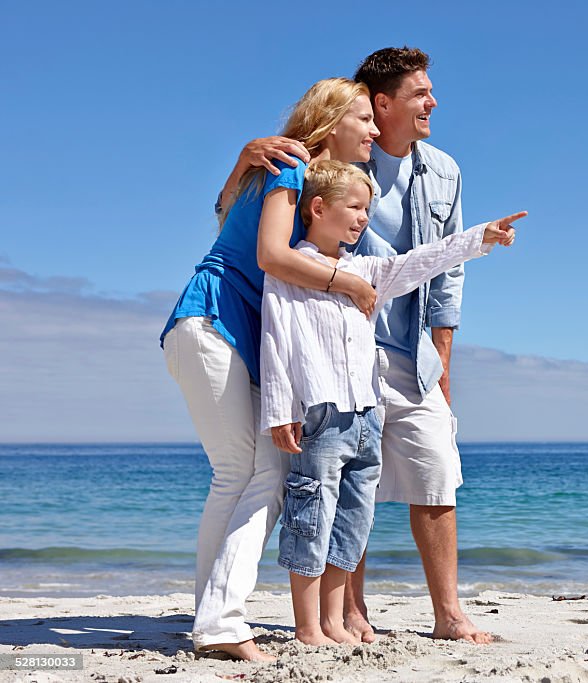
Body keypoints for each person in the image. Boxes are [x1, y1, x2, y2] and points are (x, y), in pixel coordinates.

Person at [233, 46, 493, 644]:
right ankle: (344, 613)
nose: (433, 102)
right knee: (338, 485)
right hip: (336, 352)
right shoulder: (333, 165)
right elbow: (268, 239)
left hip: (409, 352)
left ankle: (448, 614)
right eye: (420, 93)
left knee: (432, 471)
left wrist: (443, 360)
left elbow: (439, 272)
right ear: (381, 103)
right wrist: (245, 159)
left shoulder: (445, 172)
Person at [160, 78, 380, 661]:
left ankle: (213, 617)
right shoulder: (292, 168)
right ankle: (222, 623)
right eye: (363, 118)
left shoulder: (303, 180)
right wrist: (349, 282)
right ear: (331, 122)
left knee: (237, 475)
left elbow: (225, 213)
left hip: (214, 329)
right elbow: (268, 257)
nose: (375, 130)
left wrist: (237, 164)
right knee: (261, 475)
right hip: (215, 321)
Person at [259, 159, 523, 645]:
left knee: (353, 520)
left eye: (367, 209)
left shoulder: (364, 269)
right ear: (317, 208)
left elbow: (420, 260)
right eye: (355, 208)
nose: (363, 219)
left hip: (367, 414)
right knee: (310, 515)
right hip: (321, 414)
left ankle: (335, 621)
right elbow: (276, 343)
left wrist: (479, 237)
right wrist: (280, 411)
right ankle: (306, 625)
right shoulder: (292, 271)